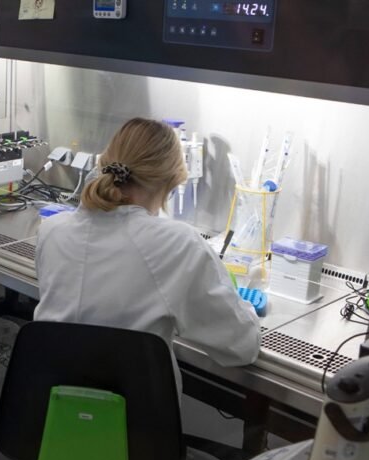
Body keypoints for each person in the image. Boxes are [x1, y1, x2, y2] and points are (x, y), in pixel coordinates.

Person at [34, 118, 260, 388]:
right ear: (173, 181)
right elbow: (241, 346)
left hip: (49, 406)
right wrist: (240, 301)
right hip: (135, 413)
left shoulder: (52, 231)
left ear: (103, 163)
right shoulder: (178, 244)